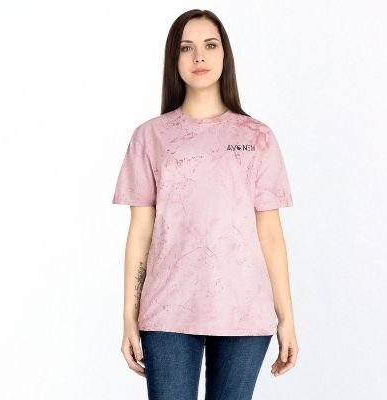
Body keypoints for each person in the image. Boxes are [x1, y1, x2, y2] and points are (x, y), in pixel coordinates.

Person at [112, 9, 299, 400]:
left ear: (224, 55)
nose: (199, 56)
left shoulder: (257, 137)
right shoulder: (150, 137)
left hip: (244, 311)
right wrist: (129, 315)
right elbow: (141, 232)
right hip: (167, 309)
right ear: (174, 59)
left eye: (210, 45)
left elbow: (270, 234)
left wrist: (287, 318)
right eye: (187, 48)